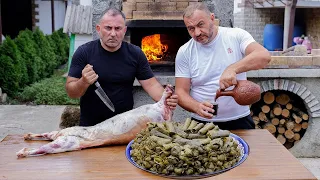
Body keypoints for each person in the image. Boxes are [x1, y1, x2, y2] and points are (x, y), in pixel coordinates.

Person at [65, 7, 178, 126]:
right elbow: (71, 93)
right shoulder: (84, 52)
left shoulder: (135, 54)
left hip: (124, 126)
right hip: (90, 126)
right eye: (108, 28)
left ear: (124, 30)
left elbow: (151, 85)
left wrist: (166, 99)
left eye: (117, 28)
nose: (113, 34)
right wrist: (83, 82)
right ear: (98, 29)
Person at [175, 3, 271, 130]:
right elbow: (181, 92)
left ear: (212, 18)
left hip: (239, 120)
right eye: (191, 28)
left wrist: (232, 69)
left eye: (200, 25)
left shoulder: (236, 36)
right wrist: (196, 106)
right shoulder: (185, 51)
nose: (197, 32)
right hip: (201, 123)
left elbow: (263, 56)